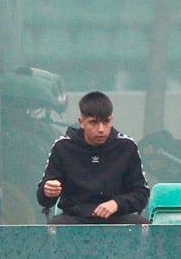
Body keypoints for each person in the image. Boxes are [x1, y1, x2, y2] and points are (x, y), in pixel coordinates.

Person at [36, 90, 151, 225]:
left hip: (118, 218)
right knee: (55, 226)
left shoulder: (127, 147)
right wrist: (48, 191)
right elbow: (44, 200)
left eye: (106, 122)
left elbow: (141, 194)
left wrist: (116, 204)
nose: (101, 129)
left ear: (112, 120)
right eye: (93, 123)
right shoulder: (62, 147)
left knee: (143, 226)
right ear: (81, 122)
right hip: (74, 219)